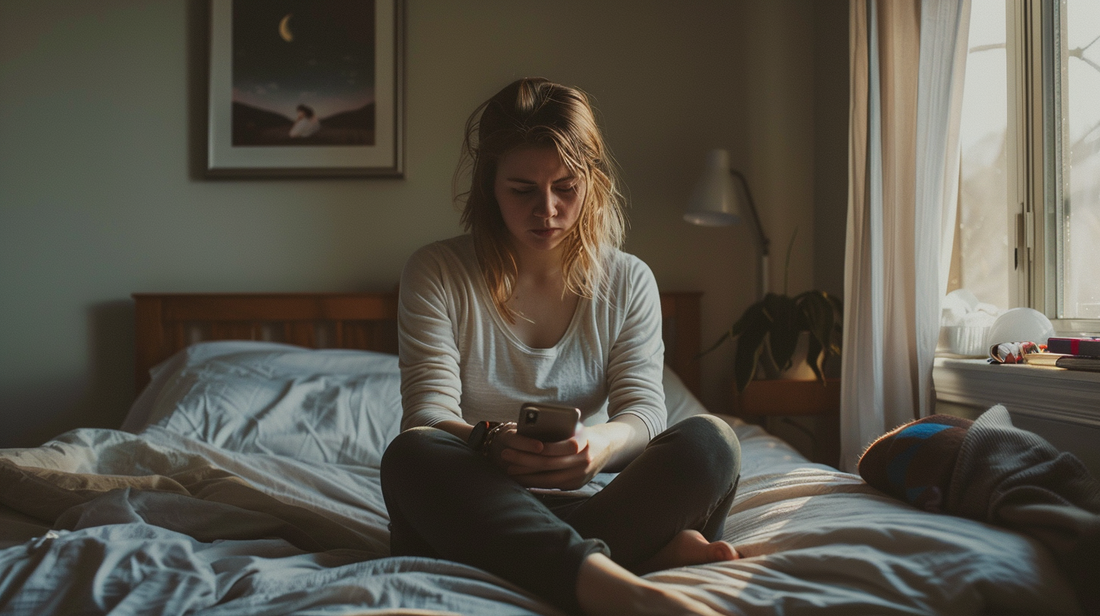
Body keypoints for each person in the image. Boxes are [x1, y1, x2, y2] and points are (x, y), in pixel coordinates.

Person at [380, 77, 742, 615]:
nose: (545, 209)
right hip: (476, 504)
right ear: (489, 186)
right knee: (411, 454)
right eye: (521, 190)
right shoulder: (437, 272)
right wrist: (487, 442)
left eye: (565, 187)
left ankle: (569, 563)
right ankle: (625, 577)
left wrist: (597, 447)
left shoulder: (628, 281)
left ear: (592, 182)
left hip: (573, 508)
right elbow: (429, 415)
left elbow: (644, 412)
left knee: (713, 441)